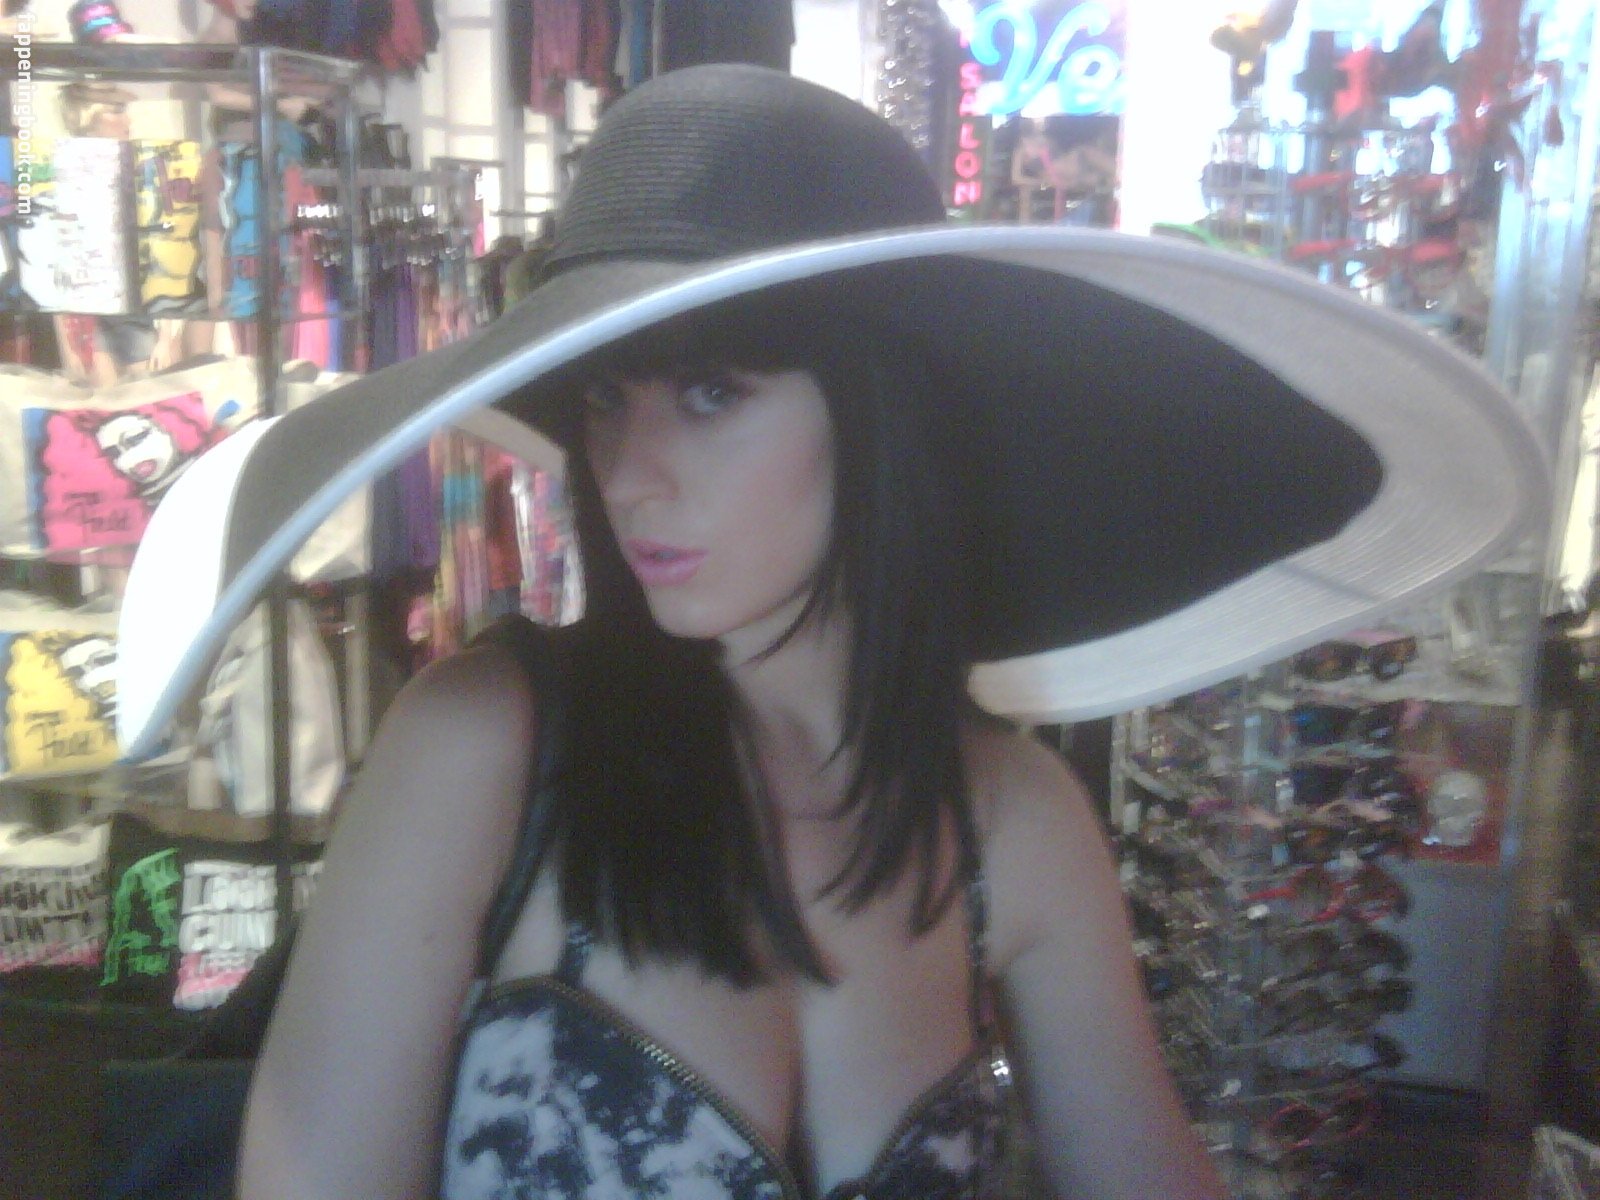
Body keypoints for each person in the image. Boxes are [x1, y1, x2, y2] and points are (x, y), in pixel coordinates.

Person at [113, 64, 1542, 1200]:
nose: (628, 475)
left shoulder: (1012, 825)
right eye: (606, 399)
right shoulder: (487, 750)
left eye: (712, 395)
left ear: (879, 416)